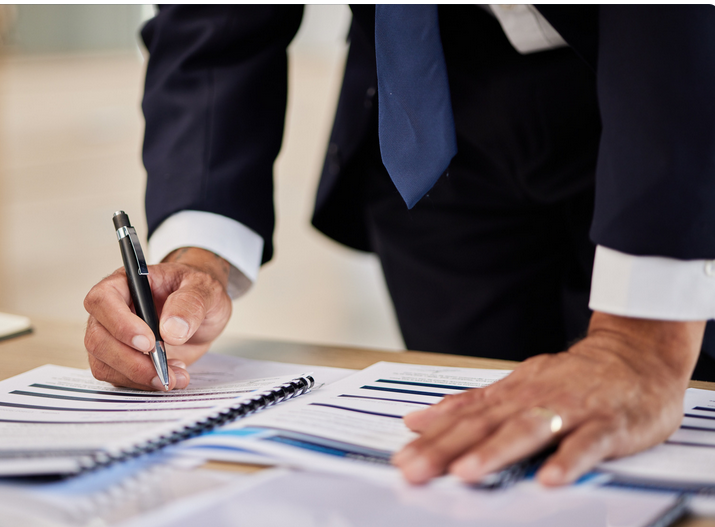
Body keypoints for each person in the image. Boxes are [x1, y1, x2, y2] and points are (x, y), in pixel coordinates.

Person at [84, 5, 715, 487]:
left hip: (677, 97)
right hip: (429, 120)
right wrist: (199, 252)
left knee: (667, 438)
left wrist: (643, 341)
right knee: (473, 470)